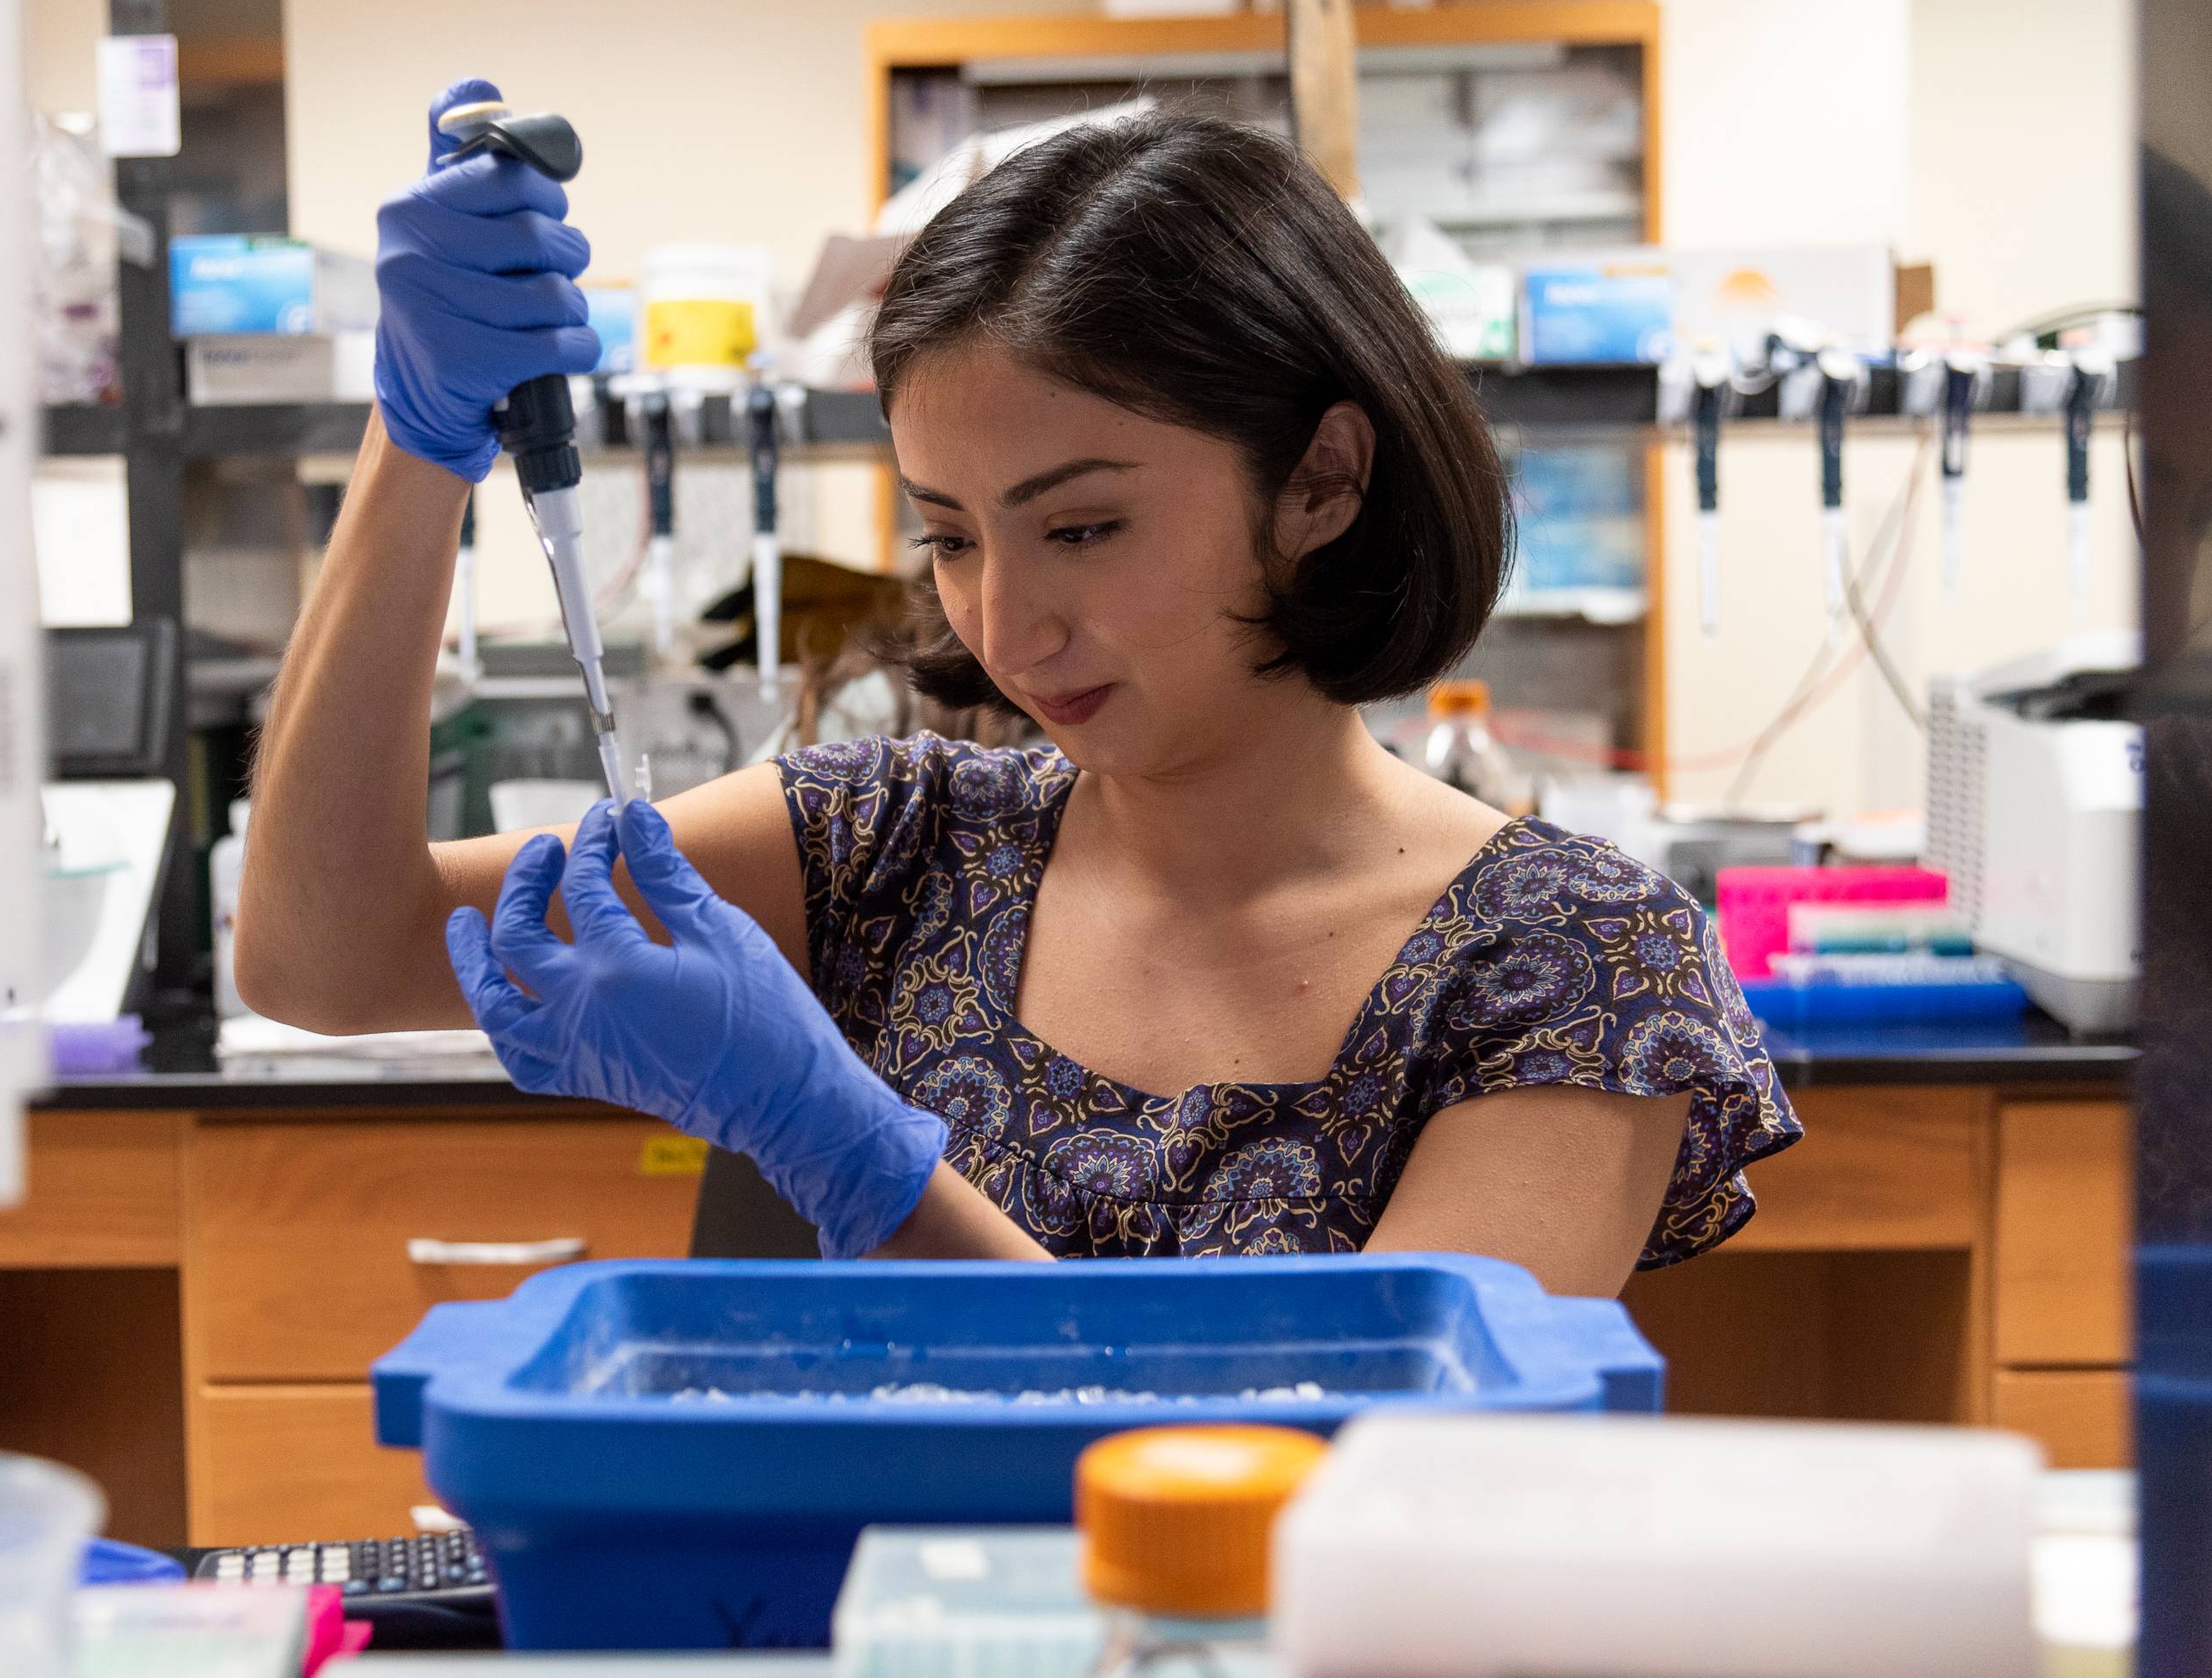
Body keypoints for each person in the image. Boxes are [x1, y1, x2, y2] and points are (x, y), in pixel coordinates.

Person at [237, 77, 1801, 1294]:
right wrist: (419, 443)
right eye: (950, 538)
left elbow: (1333, 1485)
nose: (1006, 625)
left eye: (1083, 527)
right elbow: (327, 950)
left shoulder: (1573, 966)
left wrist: (855, 1157)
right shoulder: (898, 850)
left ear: (1322, 478)